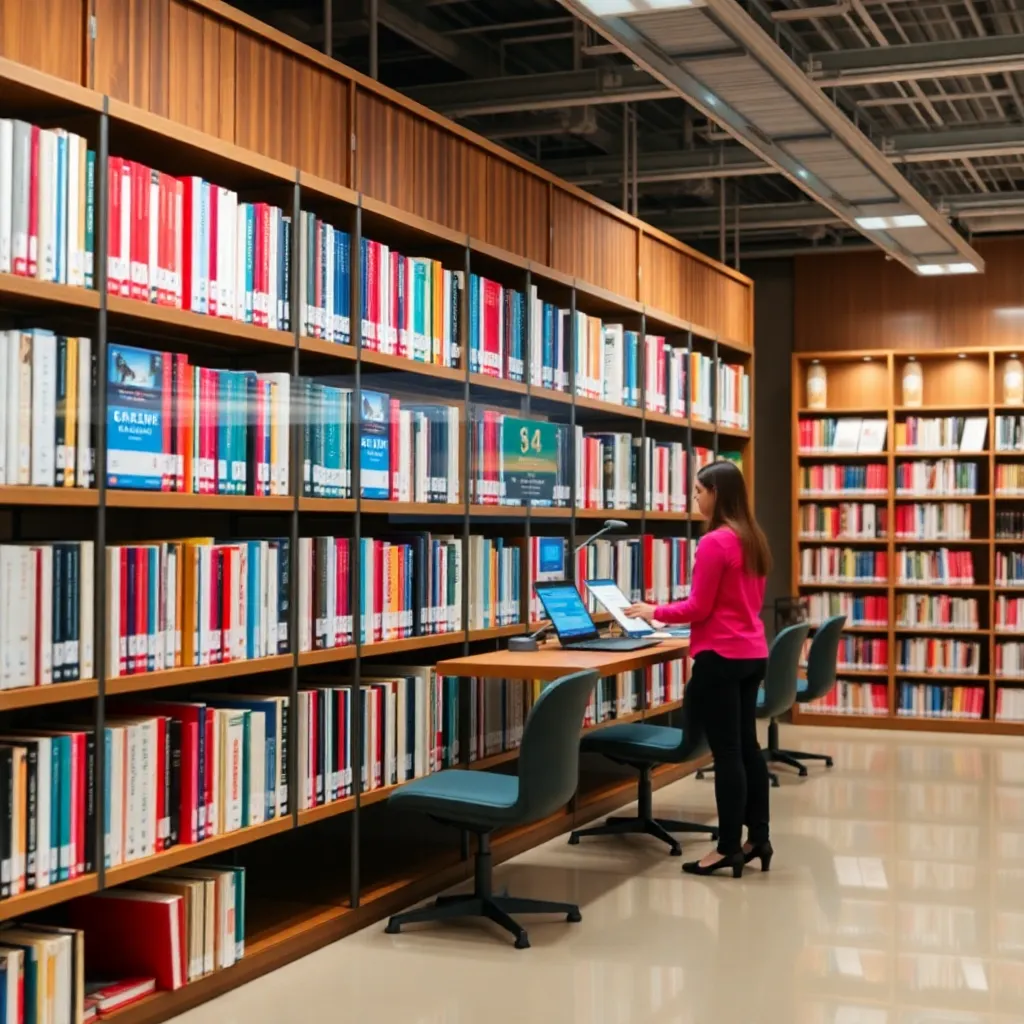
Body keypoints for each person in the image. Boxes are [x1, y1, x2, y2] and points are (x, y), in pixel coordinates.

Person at [626, 459, 772, 879]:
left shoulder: (715, 542)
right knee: (748, 747)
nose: (694, 499)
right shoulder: (753, 538)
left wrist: (654, 611)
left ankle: (727, 848)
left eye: (697, 491)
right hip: (751, 654)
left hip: (720, 658)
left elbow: (698, 608)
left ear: (716, 494)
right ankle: (757, 837)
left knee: (727, 753)